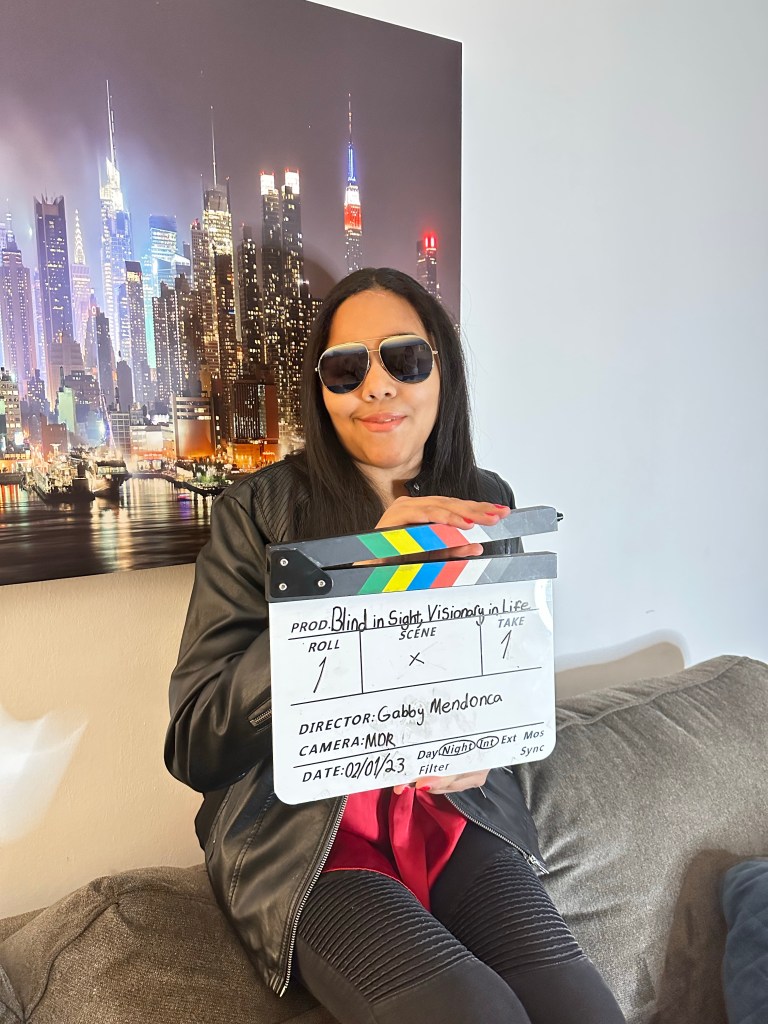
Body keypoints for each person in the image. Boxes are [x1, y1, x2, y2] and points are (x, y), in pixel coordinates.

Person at [165, 268, 626, 1024]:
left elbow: (500, 678)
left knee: (583, 1012)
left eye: (404, 359)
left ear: (441, 368)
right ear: (323, 392)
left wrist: (490, 750)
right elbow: (194, 742)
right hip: (306, 839)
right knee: (474, 1013)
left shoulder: (484, 496)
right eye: (348, 369)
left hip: (453, 817)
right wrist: (352, 582)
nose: (377, 386)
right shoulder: (257, 512)